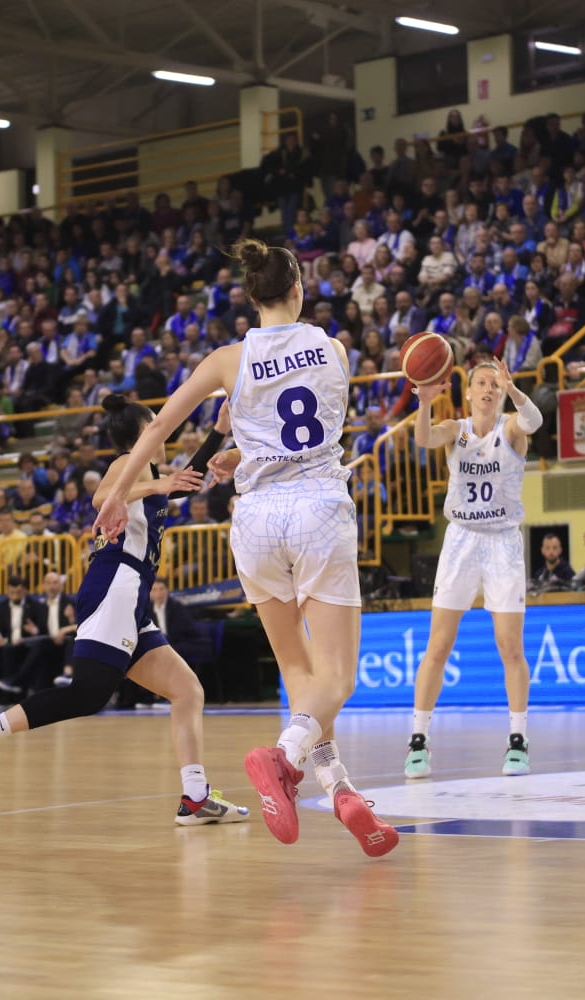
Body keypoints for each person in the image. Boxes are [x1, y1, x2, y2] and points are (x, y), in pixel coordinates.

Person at [90, 238, 398, 856]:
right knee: (337, 675)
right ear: (298, 290)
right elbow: (309, 425)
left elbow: (157, 428)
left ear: (251, 300)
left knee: (300, 675)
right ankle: (282, 760)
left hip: (255, 522)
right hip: (316, 509)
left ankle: (340, 787)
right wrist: (252, 448)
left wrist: (119, 492)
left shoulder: (227, 359)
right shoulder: (335, 347)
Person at [0, 394, 250, 828]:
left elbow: (187, 479)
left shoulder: (149, 470)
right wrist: (157, 485)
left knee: (186, 690)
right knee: (89, 692)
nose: (163, 428)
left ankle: (195, 796)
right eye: (156, 423)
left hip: (131, 594)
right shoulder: (127, 463)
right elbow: (104, 495)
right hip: (115, 584)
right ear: (143, 433)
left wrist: (220, 430)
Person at [403, 358, 542, 779]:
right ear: (467, 391)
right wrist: (425, 402)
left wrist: (514, 389)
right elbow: (423, 437)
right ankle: (418, 740)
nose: (487, 389)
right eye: (481, 383)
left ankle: (517, 738)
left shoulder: (512, 426)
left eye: (493, 385)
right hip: (461, 539)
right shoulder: (456, 429)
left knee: (509, 645)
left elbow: (533, 421)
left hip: (502, 542)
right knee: (438, 645)